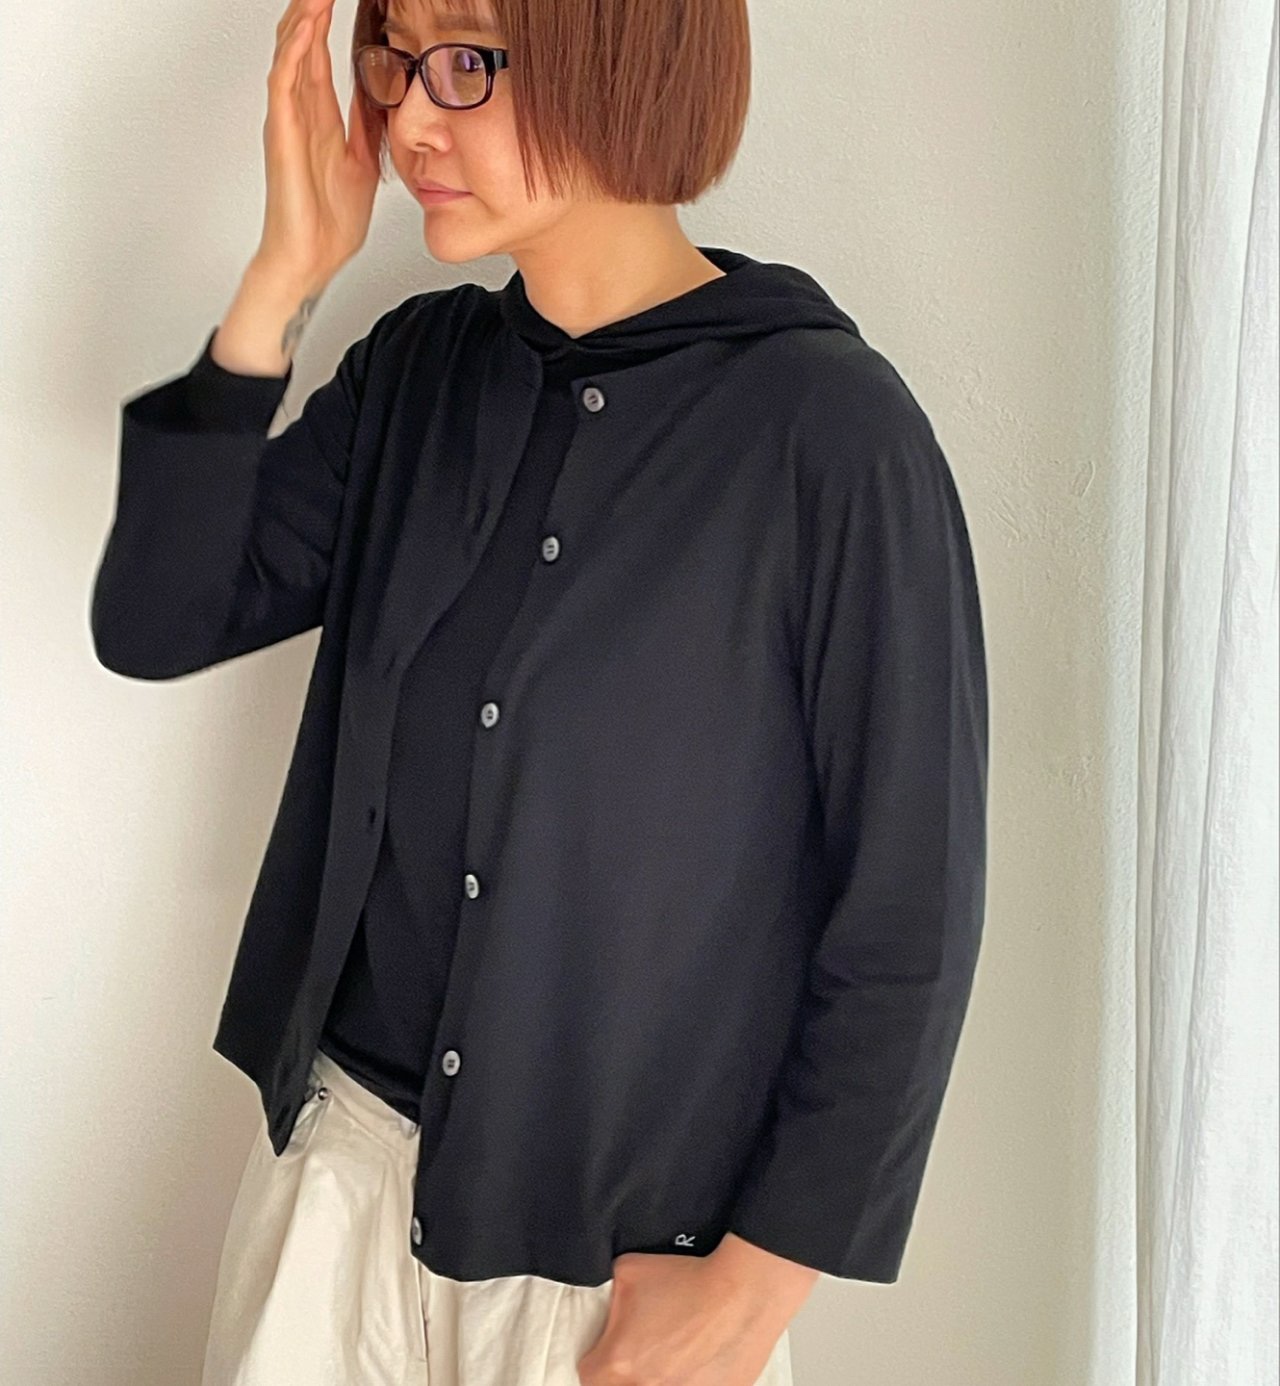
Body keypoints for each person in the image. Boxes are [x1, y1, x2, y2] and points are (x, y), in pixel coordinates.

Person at [89, 0, 989, 1382]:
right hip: (335, 1191)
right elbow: (158, 620)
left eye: (467, 61)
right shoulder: (414, 373)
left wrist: (753, 1291)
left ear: (622, 57)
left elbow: (909, 903)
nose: (409, 118)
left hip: (613, 1265)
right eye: (396, 58)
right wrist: (283, 277)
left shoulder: (830, 434)